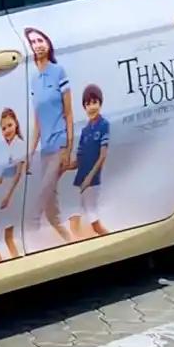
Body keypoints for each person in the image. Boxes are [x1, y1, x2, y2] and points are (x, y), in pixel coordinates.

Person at [24, 27, 76, 245]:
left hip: (60, 143)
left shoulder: (58, 72)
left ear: (47, 42)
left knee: (39, 201)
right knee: (51, 210)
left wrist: (69, 148)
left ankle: (30, 243)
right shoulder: (34, 81)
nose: (37, 44)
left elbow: (68, 112)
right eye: (33, 42)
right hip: (45, 149)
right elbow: (36, 122)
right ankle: (73, 242)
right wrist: (30, 153)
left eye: (40, 39)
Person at [0, 108, 26, 262]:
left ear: (16, 124)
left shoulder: (19, 145)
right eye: (3, 128)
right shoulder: (10, 149)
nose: (7, 130)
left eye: (9, 125)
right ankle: (17, 266)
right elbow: (2, 178)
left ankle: (2, 268)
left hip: (8, 200)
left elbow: (18, 174)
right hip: (6, 199)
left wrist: (8, 196)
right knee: (8, 238)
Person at [73, 83, 111, 237]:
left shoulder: (104, 125)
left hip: (92, 182)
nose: (91, 107)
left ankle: (111, 241)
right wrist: (63, 167)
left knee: (94, 223)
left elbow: (102, 156)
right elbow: (79, 159)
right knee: (81, 220)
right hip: (81, 181)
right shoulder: (85, 130)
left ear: (100, 103)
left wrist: (89, 178)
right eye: (88, 104)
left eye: (94, 102)